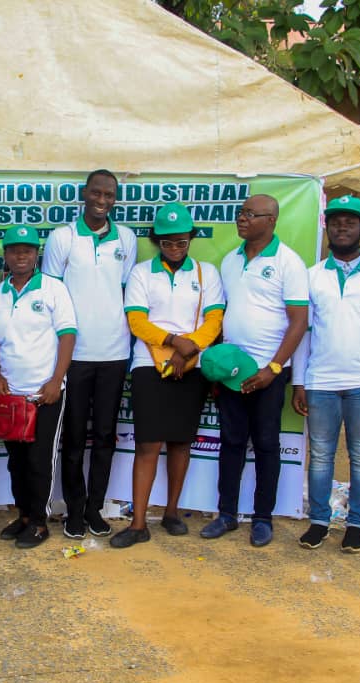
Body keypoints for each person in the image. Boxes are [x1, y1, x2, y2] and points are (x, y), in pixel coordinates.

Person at [110, 203, 224, 548]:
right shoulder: (142, 273)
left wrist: (188, 350)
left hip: (192, 365)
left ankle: (172, 513)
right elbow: (137, 321)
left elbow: (214, 320)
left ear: (190, 239)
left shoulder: (207, 273)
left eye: (181, 242)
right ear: (156, 241)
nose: (175, 248)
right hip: (148, 364)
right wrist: (174, 342)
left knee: (180, 441)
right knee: (147, 443)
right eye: (167, 242)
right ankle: (138, 524)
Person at [290, 196, 360, 553]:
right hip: (320, 383)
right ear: (327, 227)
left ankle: (356, 524)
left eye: (350, 222)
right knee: (320, 455)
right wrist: (299, 381)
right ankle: (319, 521)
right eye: (335, 221)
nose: (342, 228)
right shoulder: (312, 276)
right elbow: (304, 333)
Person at [203, 194, 308, 547]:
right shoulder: (231, 260)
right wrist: (217, 366)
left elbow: (299, 322)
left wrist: (273, 368)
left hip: (268, 372)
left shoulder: (289, 262)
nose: (242, 219)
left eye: (250, 214)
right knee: (231, 442)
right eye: (241, 213)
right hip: (232, 371)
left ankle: (263, 518)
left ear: (271, 220)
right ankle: (226, 514)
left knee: (265, 444)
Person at [42, 169, 137, 538]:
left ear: (115, 199)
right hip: (75, 354)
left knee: (106, 435)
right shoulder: (62, 237)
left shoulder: (126, 238)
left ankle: (95, 508)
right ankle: (74, 511)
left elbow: (126, 290)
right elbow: (51, 295)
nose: (102, 200)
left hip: (114, 352)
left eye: (109, 195)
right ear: (84, 193)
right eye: (96, 193)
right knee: (74, 438)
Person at [0, 225, 77, 549]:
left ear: (36, 254)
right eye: (14, 250)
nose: (20, 255)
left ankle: (39, 523)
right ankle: (24, 516)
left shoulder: (53, 289)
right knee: (17, 462)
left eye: (27, 250)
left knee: (40, 461)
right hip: (11, 392)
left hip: (44, 393)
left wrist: (56, 381)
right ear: (6, 255)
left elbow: (68, 336)